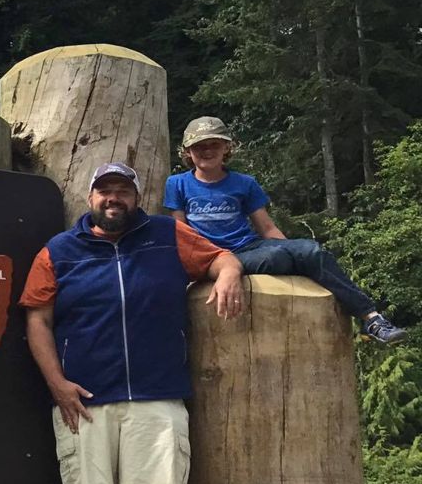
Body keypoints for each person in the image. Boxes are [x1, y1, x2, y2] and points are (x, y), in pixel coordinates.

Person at [20, 162, 244, 484]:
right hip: (85, 398)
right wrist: (56, 384)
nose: (113, 199)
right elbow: (37, 319)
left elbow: (221, 257)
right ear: (91, 196)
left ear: (136, 197)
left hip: (156, 393)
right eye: (105, 191)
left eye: (122, 191)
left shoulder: (168, 235)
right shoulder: (59, 251)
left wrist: (230, 274)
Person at [164, 116, 406, 345]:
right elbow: (183, 233)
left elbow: (267, 228)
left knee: (311, 250)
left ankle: (371, 318)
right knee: (275, 257)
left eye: (214, 144)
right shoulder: (178, 184)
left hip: (248, 247)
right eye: (199, 146)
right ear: (187, 151)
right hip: (212, 256)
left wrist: (296, 253)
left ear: (226, 147)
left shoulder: (244, 183)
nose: (207, 151)